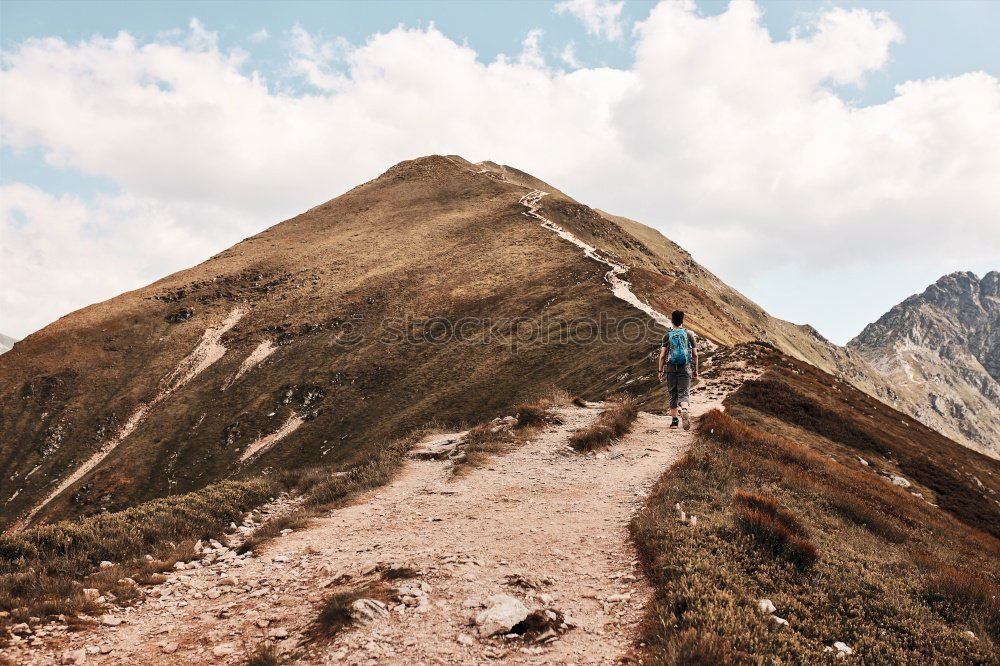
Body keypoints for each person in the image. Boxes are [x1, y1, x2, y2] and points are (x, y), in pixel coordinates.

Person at [658, 310, 698, 430]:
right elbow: (695, 354)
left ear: (672, 320)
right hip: (685, 368)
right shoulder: (689, 334)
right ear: (682, 320)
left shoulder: (667, 335)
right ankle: (684, 409)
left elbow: (662, 355)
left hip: (671, 368)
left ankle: (674, 422)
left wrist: (660, 371)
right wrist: (696, 370)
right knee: (684, 393)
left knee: (673, 393)